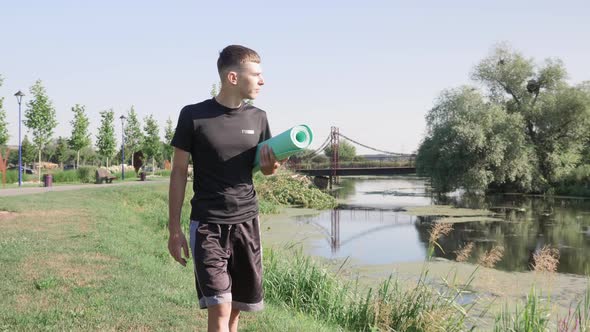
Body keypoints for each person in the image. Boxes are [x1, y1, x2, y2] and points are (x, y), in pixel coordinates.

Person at [167, 45, 282, 332]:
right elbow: (179, 172)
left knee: (235, 312)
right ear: (233, 77)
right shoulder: (193, 116)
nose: (262, 80)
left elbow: (264, 169)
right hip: (208, 224)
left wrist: (271, 167)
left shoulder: (259, 118)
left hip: (246, 222)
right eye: (256, 74)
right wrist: (174, 229)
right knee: (219, 307)